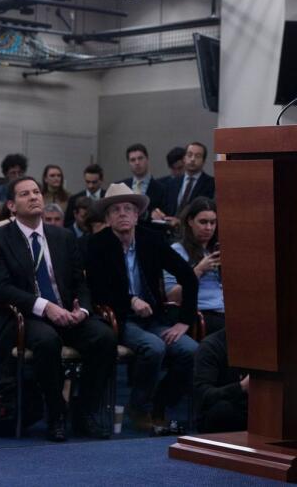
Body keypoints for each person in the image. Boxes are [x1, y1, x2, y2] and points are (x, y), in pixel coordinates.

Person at [0, 177, 116, 441]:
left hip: (68, 313)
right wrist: (45, 307)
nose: (33, 197)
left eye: (36, 192)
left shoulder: (62, 236)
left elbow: (80, 281)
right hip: (25, 315)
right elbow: (0, 287)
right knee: (47, 341)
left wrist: (83, 310)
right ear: (11, 205)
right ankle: (56, 413)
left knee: (104, 337)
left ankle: (84, 411)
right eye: (25, 194)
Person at [84, 183, 198, 431]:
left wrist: (184, 321)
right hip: (119, 319)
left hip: (155, 318)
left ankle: (160, 404)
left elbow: (188, 276)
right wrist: (130, 301)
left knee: (191, 350)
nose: (123, 213)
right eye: (116, 210)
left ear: (137, 215)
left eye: (128, 209)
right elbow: (97, 290)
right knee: (154, 347)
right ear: (107, 217)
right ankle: (139, 409)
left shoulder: (151, 240)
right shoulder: (96, 245)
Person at [166, 197, 224, 335]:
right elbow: (172, 297)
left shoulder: (217, 249)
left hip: (225, 310)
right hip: (201, 313)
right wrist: (198, 270)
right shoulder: (177, 250)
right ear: (190, 221)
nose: (209, 228)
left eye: (213, 222)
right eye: (203, 222)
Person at [193, 330, 247, 432]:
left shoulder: (266, 343)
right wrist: (241, 387)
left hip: (256, 406)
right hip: (224, 408)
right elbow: (203, 395)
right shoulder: (211, 346)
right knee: (223, 411)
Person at [162, 142, 214, 222]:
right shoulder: (173, 183)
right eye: (189, 155)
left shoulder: (211, 184)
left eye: (198, 156)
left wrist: (181, 222)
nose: (193, 159)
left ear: (204, 161)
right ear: (184, 159)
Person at [121, 144, 169, 221]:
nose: (137, 162)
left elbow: (164, 215)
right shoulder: (122, 187)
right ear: (129, 163)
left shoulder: (162, 189)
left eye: (140, 158)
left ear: (147, 159)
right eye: (133, 160)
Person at [62, 164, 105, 228]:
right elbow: (67, 223)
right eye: (88, 182)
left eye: (94, 182)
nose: (90, 186)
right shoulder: (74, 199)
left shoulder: (108, 197)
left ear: (101, 180)